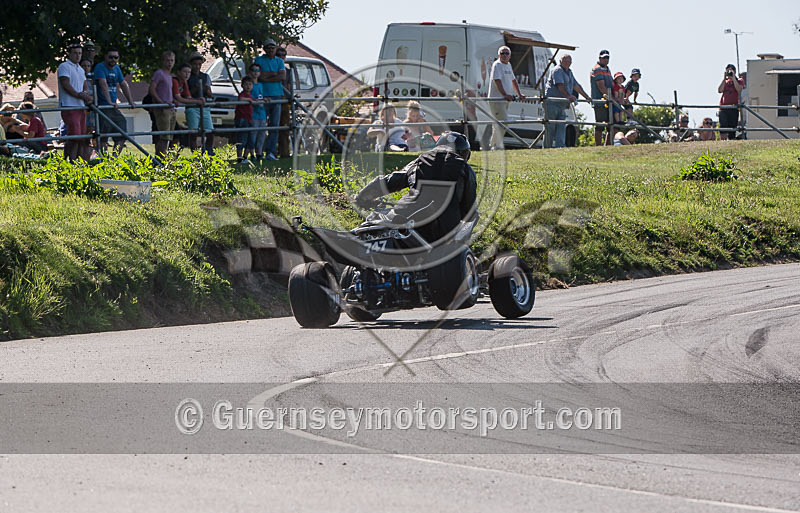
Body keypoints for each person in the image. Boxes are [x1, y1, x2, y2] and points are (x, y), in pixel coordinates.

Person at [354, 131, 477, 245]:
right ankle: (458, 249)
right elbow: (469, 211)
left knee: (378, 219)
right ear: (464, 153)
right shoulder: (466, 169)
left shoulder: (422, 161)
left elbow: (390, 181)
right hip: (443, 232)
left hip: (409, 219)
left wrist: (361, 197)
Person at [543, 54, 591, 148]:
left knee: (561, 126)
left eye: (569, 62)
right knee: (550, 127)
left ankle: (559, 147)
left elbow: (576, 86)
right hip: (552, 103)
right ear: (560, 61)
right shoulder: (557, 70)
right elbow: (560, 85)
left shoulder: (569, 72)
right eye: (565, 61)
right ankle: (546, 149)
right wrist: (569, 96)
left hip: (562, 105)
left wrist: (587, 97)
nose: (567, 63)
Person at [94, 48, 135, 156]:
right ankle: (102, 160)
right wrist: (108, 101)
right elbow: (103, 84)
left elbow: (123, 84)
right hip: (102, 106)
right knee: (103, 135)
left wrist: (131, 101)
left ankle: (114, 158)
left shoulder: (117, 68)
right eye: (110, 57)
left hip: (113, 107)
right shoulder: (100, 67)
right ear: (105, 57)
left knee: (122, 131)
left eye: (115, 57)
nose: (113, 59)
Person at [58, 42, 92, 161]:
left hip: (80, 106)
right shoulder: (64, 66)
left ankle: (78, 160)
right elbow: (65, 84)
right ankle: (68, 160)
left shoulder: (80, 69)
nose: (78, 56)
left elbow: (84, 86)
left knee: (81, 136)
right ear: (69, 54)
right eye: (75, 53)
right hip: (69, 105)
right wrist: (78, 95)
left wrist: (86, 94)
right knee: (73, 136)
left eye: (80, 53)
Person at [254, 39, 286, 161]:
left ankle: (271, 152)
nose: (271, 49)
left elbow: (282, 76)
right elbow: (259, 76)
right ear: (264, 48)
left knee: (274, 125)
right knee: (260, 125)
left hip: (277, 95)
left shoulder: (279, 61)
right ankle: (258, 152)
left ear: (276, 48)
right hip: (262, 95)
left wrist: (266, 76)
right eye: (268, 47)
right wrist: (274, 75)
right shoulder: (259, 60)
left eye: (273, 47)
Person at [488, 46, 524, 149]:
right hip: (497, 99)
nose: (504, 55)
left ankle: (494, 145)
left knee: (499, 123)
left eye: (506, 53)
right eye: (502, 53)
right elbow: (497, 81)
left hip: (505, 100)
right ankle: (495, 145)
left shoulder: (508, 65)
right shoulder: (497, 65)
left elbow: (513, 81)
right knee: (504, 122)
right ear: (499, 55)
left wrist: (520, 94)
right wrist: (505, 95)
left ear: (510, 56)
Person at [148, 51, 176, 158]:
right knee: (163, 136)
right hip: (162, 109)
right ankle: (159, 159)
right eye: (167, 60)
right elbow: (152, 89)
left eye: (172, 60)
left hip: (171, 108)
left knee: (169, 136)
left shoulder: (170, 76)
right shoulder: (159, 73)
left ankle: (165, 158)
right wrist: (160, 102)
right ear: (163, 61)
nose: (169, 63)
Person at [187, 51, 215, 154]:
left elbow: (210, 93)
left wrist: (207, 91)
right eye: (195, 64)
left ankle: (209, 150)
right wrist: (196, 88)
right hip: (192, 106)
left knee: (210, 131)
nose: (197, 66)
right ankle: (195, 154)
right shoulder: (188, 77)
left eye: (199, 64)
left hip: (204, 106)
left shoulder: (205, 76)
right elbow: (187, 93)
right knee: (193, 132)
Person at [590, 49, 613, 146]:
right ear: (599, 58)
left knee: (610, 125)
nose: (606, 59)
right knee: (600, 125)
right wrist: (611, 98)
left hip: (608, 101)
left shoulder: (607, 69)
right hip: (600, 101)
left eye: (607, 57)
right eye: (604, 58)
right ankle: (598, 146)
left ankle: (607, 146)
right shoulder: (597, 68)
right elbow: (601, 86)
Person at [718, 63, 744, 140]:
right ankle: (722, 141)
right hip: (723, 108)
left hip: (733, 107)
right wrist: (724, 78)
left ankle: (731, 141)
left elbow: (739, 89)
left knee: (732, 128)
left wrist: (733, 78)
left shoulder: (739, 80)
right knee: (723, 127)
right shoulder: (725, 82)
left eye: (731, 71)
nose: (729, 73)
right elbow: (720, 90)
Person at [247, 63, 267, 161]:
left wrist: (266, 99)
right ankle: (251, 153)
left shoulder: (261, 85)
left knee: (261, 134)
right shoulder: (249, 85)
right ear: (250, 72)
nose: (255, 72)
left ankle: (259, 152)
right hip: (252, 113)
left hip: (262, 113)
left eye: (257, 70)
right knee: (252, 134)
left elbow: (263, 96)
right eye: (253, 70)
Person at [275, 46, 292, 158]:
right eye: (279, 55)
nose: (281, 57)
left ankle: (285, 152)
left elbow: (289, 86)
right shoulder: (272, 69)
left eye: (283, 55)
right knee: (273, 127)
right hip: (273, 99)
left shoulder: (288, 71)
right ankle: (271, 152)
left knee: (285, 128)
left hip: (285, 101)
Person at [235, 75, 256, 163]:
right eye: (246, 84)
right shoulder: (243, 95)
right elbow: (240, 99)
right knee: (241, 139)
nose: (248, 86)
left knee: (250, 140)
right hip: (241, 119)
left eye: (250, 84)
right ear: (242, 85)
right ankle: (239, 158)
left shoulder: (250, 95)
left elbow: (255, 100)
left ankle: (245, 157)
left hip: (249, 119)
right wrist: (249, 100)